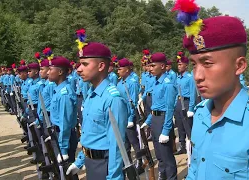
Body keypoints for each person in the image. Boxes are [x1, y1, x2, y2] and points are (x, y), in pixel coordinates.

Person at [172, 0, 249, 179]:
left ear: (239, 66)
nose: (197, 75)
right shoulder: (201, 114)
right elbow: (195, 171)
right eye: (194, 64)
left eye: (207, 63)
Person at [66, 29, 128, 180]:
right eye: (79, 64)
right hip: (91, 162)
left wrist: (114, 177)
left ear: (101, 66)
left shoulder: (112, 98)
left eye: (85, 64)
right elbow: (91, 134)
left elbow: (116, 146)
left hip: (104, 166)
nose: (79, 69)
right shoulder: (91, 96)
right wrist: (80, 161)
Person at [141, 52, 178, 180]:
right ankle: (162, 176)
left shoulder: (167, 84)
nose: (150, 69)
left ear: (162, 66)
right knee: (159, 155)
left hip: (163, 120)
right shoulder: (156, 83)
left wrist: (166, 130)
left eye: (152, 66)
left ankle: (172, 178)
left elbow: (169, 108)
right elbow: (155, 106)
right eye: (149, 66)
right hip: (155, 120)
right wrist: (148, 121)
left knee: (167, 157)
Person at [116, 58, 144, 174]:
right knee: (125, 143)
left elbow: (132, 101)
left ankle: (139, 162)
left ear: (127, 70)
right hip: (122, 117)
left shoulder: (131, 82)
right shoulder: (120, 82)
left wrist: (130, 118)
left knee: (134, 141)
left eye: (120, 69)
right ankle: (128, 165)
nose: (118, 71)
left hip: (129, 117)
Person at [173, 52, 193, 155]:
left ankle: (192, 148)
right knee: (180, 126)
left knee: (187, 126)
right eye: (178, 64)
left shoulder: (189, 77)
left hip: (186, 101)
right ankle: (182, 146)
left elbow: (193, 93)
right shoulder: (178, 78)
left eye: (180, 64)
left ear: (186, 65)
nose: (179, 66)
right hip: (178, 102)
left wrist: (191, 108)